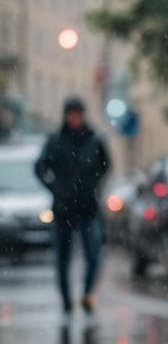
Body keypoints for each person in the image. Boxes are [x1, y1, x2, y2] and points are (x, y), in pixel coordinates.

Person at [34, 96, 111, 315]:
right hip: (63, 209)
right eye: (72, 114)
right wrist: (54, 188)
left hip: (88, 208)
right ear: (66, 116)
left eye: (78, 114)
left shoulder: (94, 140)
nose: (75, 118)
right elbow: (40, 167)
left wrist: (94, 185)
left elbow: (106, 166)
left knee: (94, 255)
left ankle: (87, 295)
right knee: (63, 259)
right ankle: (66, 301)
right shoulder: (56, 140)